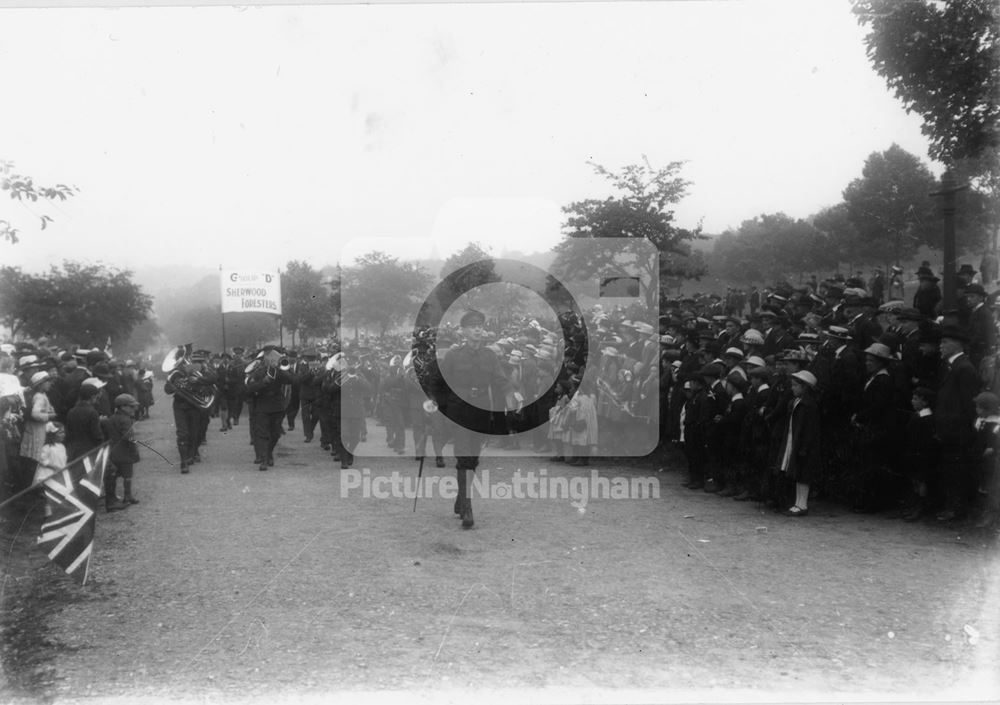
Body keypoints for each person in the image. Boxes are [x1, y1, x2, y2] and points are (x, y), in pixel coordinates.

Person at [431, 309, 511, 529]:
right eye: (473, 326)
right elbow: (439, 383)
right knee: (464, 457)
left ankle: (460, 498)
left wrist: (513, 393)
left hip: (481, 411)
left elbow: (500, 379)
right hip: (459, 413)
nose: (478, 329)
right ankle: (467, 508)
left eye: (480, 326)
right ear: (464, 331)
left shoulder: (490, 355)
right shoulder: (454, 355)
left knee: (473, 460)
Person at [777, 370, 821, 517]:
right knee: (797, 473)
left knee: (804, 474)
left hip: (804, 445)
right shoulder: (795, 403)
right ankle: (797, 502)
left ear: (805, 388)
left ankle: (802, 504)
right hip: (793, 441)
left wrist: (804, 447)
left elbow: (810, 429)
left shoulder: (809, 406)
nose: (793, 388)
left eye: (796, 385)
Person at [19, 371, 57, 491]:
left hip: (36, 428)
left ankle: (32, 484)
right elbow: (35, 414)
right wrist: (49, 416)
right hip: (36, 429)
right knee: (35, 456)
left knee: (34, 457)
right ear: (40, 385)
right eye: (47, 382)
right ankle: (31, 486)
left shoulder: (41, 395)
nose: (49, 384)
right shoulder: (39, 397)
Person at [102, 393, 140, 510]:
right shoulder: (126, 419)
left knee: (113, 476)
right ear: (123, 407)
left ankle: (113, 497)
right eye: (131, 406)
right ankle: (127, 496)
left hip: (113, 451)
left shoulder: (111, 418)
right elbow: (128, 436)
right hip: (126, 451)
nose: (134, 409)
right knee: (128, 475)